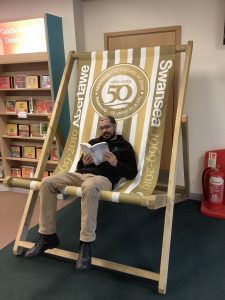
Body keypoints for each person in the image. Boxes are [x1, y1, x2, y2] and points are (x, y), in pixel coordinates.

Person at [25, 115, 138, 270]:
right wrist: (83, 162)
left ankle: (86, 244)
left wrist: (116, 163)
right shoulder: (93, 143)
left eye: (107, 127)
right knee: (47, 182)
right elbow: (79, 166)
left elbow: (132, 173)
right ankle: (48, 236)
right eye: (102, 128)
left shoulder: (125, 146)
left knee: (90, 187)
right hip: (81, 174)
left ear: (114, 126)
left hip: (103, 179)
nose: (105, 130)